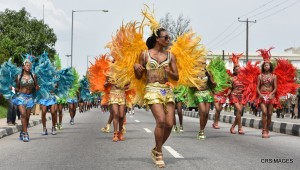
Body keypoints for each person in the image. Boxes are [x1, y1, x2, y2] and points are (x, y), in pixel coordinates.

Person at [134, 27, 178, 168]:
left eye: (168, 37)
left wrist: (169, 72)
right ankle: (159, 153)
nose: (168, 40)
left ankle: (155, 148)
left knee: (170, 124)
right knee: (161, 121)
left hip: (166, 90)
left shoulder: (171, 56)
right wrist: (137, 69)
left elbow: (177, 76)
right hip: (152, 89)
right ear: (157, 39)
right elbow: (139, 76)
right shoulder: (145, 54)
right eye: (165, 37)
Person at [12, 58, 39, 142]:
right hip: (21, 97)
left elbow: (36, 86)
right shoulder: (19, 76)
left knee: (27, 117)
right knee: (23, 114)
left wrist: (37, 87)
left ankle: (22, 131)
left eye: (29, 65)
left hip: (30, 98)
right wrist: (12, 88)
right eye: (26, 65)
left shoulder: (33, 76)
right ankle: (26, 134)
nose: (28, 67)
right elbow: (16, 88)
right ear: (23, 66)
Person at [256, 48, 278, 138]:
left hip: (271, 96)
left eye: (268, 65)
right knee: (264, 112)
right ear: (263, 66)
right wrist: (260, 94)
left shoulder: (274, 76)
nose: (266, 66)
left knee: (269, 114)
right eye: (265, 65)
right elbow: (257, 87)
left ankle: (267, 129)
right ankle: (264, 130)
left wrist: (271, 94)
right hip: (262, 96)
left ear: (270, 66)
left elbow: (275, 87)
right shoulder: (260, 76)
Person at [225, 53, 245, 135]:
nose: (237, 69)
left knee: (240, 112)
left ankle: (233, 126)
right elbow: (230, 88)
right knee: (239, 110)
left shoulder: (244, 78)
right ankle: (240, 128)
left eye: (238, 67)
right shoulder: (232, 78)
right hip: (234, 95)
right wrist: (227, 94)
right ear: (234, 70)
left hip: (242, 96)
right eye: (236, 68)